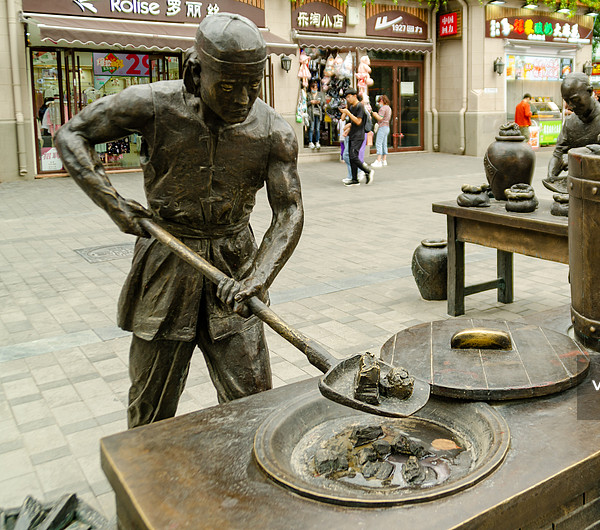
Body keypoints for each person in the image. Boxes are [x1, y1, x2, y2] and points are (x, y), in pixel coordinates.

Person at [54, 13, 304, 428]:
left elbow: (289, 210)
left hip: (235, 272)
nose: (243, 98)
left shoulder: (274, 132)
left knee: (254, 404)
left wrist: (258, 276)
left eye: (253, 84)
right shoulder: (153, 105)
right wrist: (113, 204)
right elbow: (72, 134)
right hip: (167, 263)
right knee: (150, 405)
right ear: (194, 72)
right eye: (228, 85)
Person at [544, 73, 600, 194]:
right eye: (567, 101)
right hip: (576, 189)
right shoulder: (570, 123)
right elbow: (558, 154)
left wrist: (577, 158)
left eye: (575, 99)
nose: (570, 106)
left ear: (590, 92)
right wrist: (551, 177)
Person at [339, 88, 374, 186]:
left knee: (354, 156)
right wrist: (346, 111)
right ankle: (354, 179)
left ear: (354, 96)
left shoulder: (360, 106)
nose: (348, 99)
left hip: (359, 135)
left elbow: (358, 122)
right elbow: (344, 119)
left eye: (349, 97)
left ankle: (367, 171)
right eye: (346, 98)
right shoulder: (352, 107)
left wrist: (348, 113)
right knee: (351, 157)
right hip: (352, 134)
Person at [371, 94, 392, 167]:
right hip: (387, 127)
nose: (378, 103)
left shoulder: (383, 108)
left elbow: (380, 118)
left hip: (382, 127)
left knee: (378, 143)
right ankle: (384, 160)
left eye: (379, 101)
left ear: (382, 101)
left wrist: (375, 114)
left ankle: (378, 160)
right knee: (384, 143)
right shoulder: (389, 108)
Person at [307, 80, 322, 149]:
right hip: (311, 113)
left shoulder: (319, 94)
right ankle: (310, 142)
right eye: (314, 88)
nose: (315, 90)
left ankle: (317, 141)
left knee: (317, 128)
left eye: (316, 88)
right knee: (311, 128)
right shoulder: (308, 94)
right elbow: (305, 103)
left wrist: (318, 102)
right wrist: (311, 102)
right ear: (311, 88)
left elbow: (323, 102)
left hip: (318, 113)